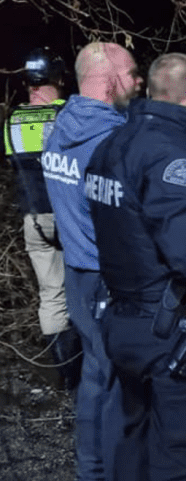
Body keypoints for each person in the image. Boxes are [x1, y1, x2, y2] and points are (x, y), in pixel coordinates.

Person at [86, 53, 186, 481]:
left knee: (131, 436)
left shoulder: (110, 146)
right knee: (182, 454)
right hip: (172, 330)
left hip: (121, 322)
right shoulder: (175, 158)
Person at [43, 42, 143, 481]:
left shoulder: (59, 127)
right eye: (133, 73)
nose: (139, 82)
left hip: (77, 274)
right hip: (108, 278)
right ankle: (108, 470)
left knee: (95, 374)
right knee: (117, 382)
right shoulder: (113, 143)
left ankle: (91, 467)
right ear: (111, 80)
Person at [3, 47, 81, 389]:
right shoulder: (69, 115)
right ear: (60, 78)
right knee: (87, 287)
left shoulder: (11, 120)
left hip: (33, 220)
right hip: (71, 217)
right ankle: (90, 367)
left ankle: (64, 374)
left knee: (52, 295)